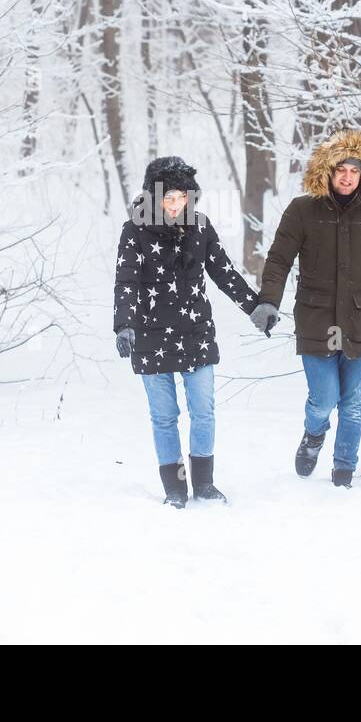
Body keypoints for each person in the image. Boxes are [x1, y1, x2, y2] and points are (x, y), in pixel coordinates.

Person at [249, 129, 361, 488]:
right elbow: (279, 259)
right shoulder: (302, 210)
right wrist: (268, 301)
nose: (347, 177)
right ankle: (314, 435)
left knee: (354, 403)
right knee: (323, 399)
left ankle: (343, 469)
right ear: (328, 171)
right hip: (316, 319)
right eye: (341, 169)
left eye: (354, 171)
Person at [113, 156, 273, 508]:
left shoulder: (200, 227)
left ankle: (203, 484)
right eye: (168, 197)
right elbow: (126, 281)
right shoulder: (135, 230)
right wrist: (123, 324)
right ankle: (175, 488)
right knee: (165, 416)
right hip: (150, 335)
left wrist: (254, 307)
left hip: (196, 332)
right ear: (154, 197)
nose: (175, 204)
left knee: (203, 410)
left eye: (182, 197)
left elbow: (224, 272)